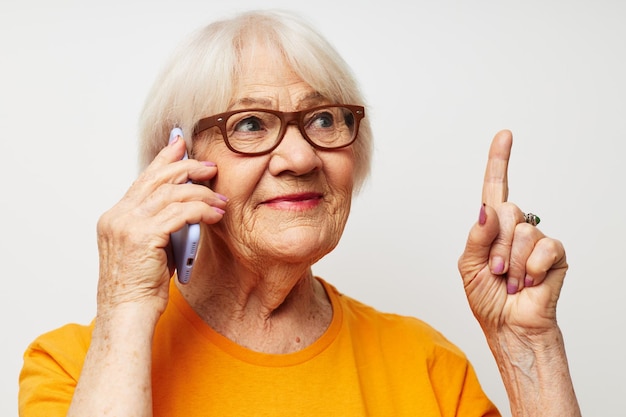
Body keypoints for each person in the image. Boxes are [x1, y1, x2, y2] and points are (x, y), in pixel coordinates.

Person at [18, 9, 581, 417]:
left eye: (324, 120)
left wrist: (528, 348)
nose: (300, 156)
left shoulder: (426, 367)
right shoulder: (74, 366)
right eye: (250, 124)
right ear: (177, 163)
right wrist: (125, 306)